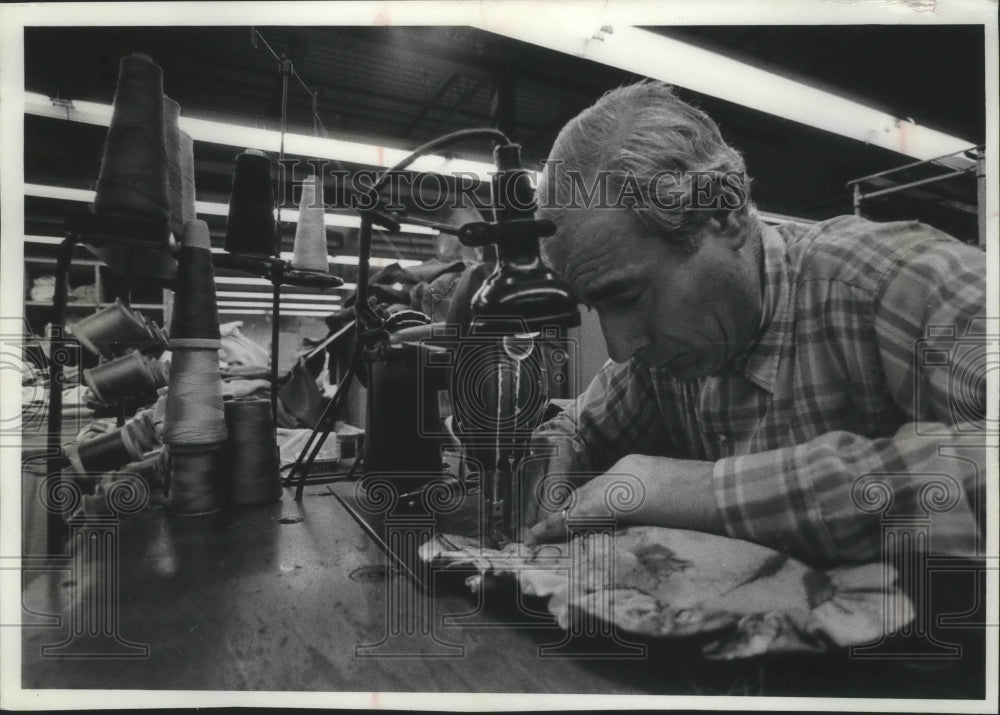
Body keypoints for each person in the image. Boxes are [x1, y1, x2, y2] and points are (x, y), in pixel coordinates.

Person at [522, 81, 986, 564]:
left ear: (724, 214)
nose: (621, 346)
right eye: (598, 308)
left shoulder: (897, 279)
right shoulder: (662, 358)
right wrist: (551, 460)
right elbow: (576, 430)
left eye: (629, 296)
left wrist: (696, 490)